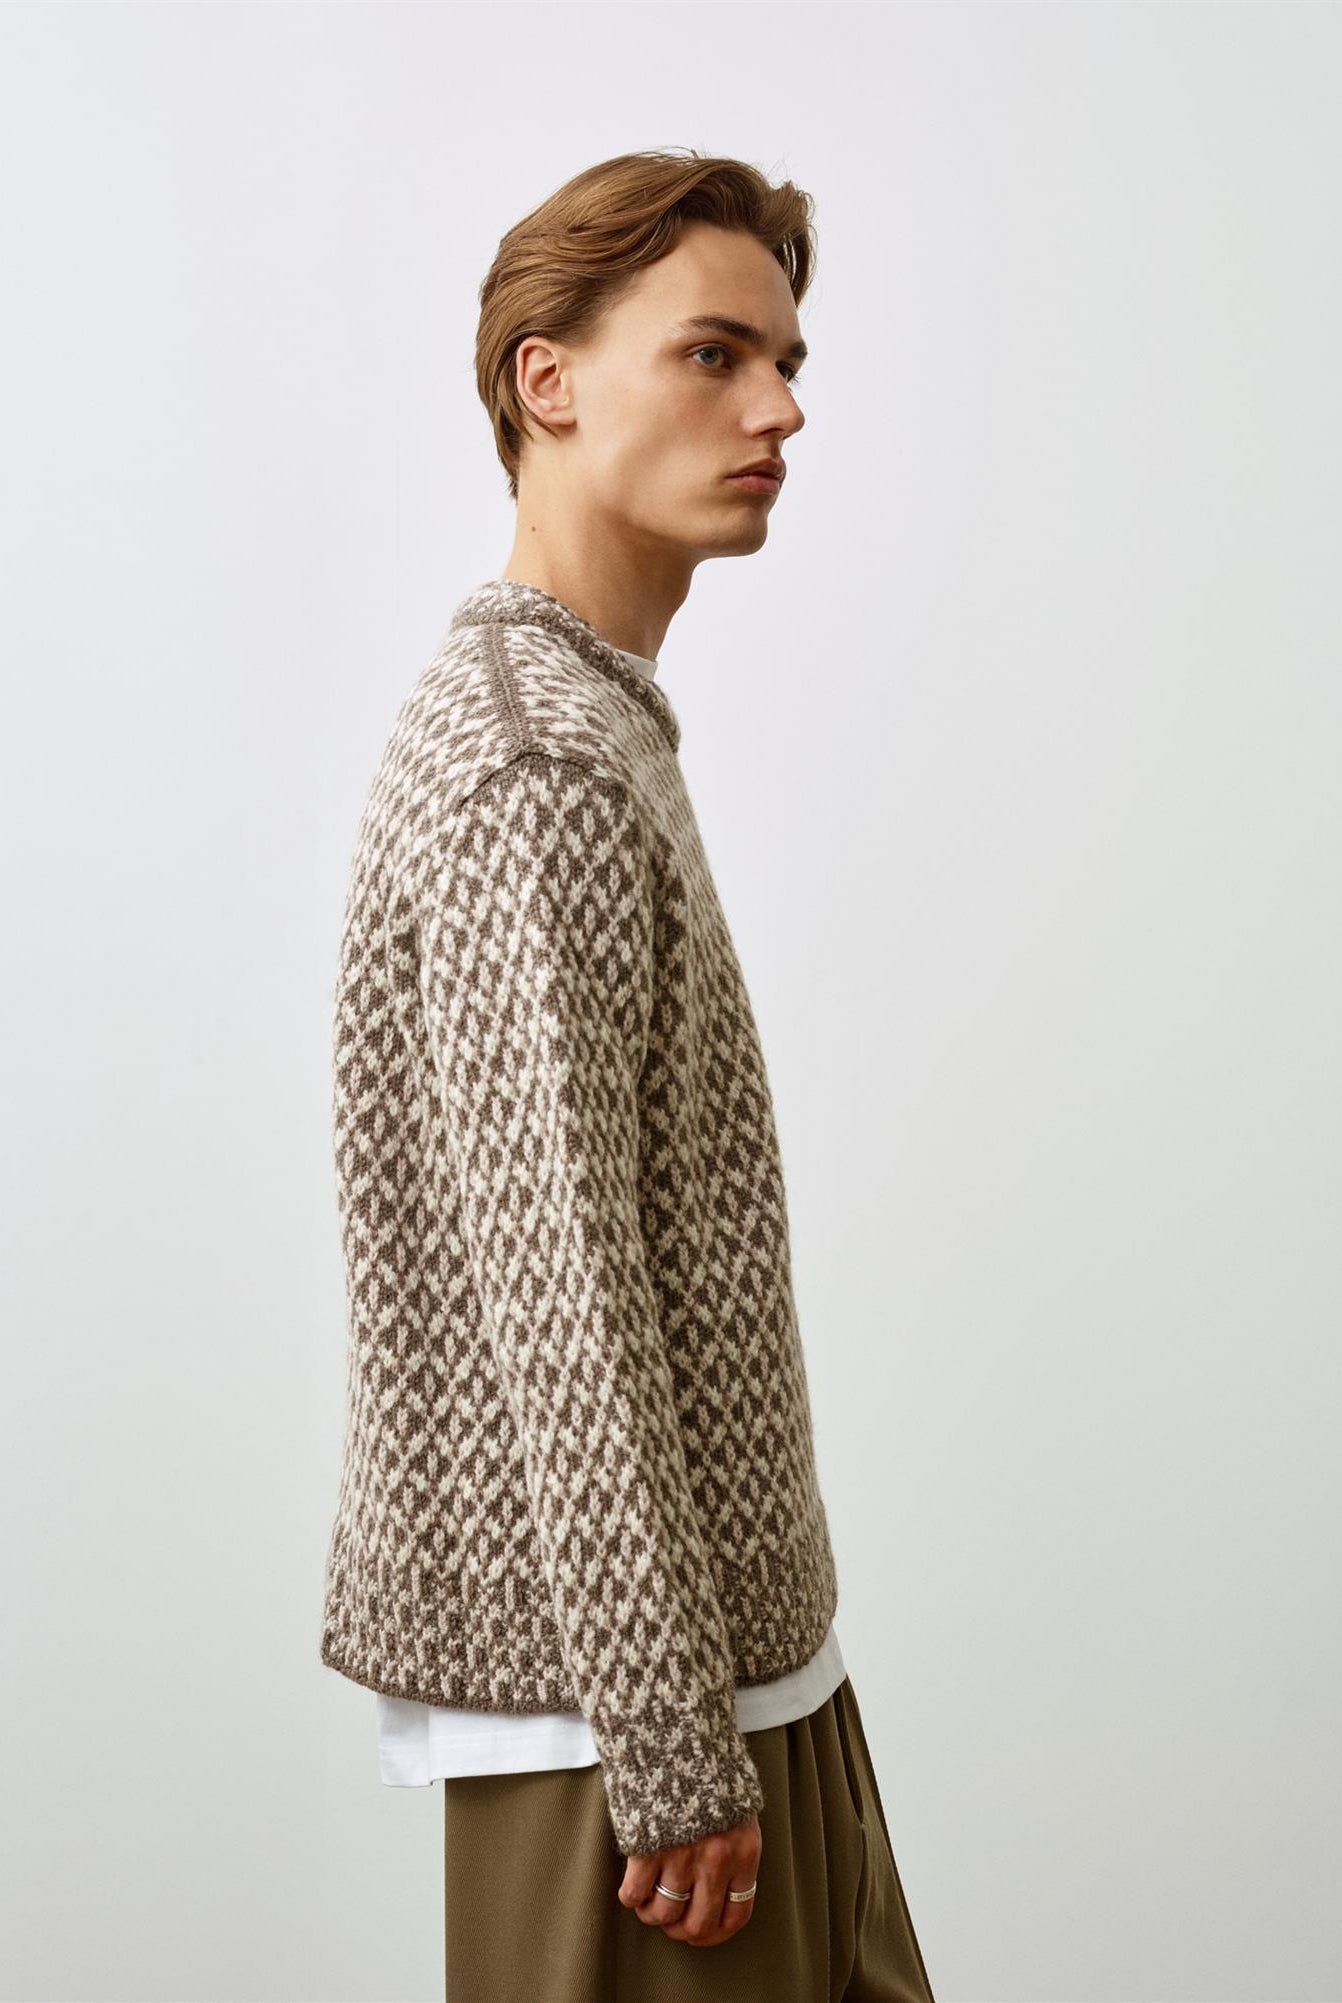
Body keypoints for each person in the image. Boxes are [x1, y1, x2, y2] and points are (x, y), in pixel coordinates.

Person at [318, 146, 937, 2002]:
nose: (780, 408)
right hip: (630, 1735)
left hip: (742, 1680)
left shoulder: (589, 723)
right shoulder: (535, 772)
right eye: (713, 355)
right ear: (549, 382)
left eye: (786, 360)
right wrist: (669, 1737)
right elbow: (559, 1288)